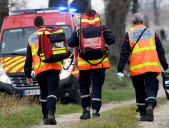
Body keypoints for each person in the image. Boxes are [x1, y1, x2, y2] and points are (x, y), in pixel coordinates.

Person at [117, 13, 169, 122]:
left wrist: (120, 69)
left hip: (137, 68)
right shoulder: (151, 32)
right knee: (152, 87)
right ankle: (150, 104)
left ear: (132, 23)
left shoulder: (129, 34)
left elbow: (124, 53)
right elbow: (160, 50)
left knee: (139, 89)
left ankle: (143, 114)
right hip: (151, 66)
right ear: (142, 21)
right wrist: (165, 66)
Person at [68, 10, 115, 120]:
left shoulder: (79, 30)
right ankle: (95, 111)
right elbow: (111, 40)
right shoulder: (102, 28)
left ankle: (86, 111)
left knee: (84, 86)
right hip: (100, 63)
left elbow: (70, 43)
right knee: (96, 86)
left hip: (84, 64)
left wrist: (77, 31)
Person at [24, 16, 62, 125]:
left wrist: (28, 75)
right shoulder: (51, 32)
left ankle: (45, 117)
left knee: (44, 92)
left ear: (34, 25)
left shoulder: (31, 38)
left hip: (40, 69)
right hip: (54, 66)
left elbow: (28, 58)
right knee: (52, 91)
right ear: (43, 23)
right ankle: (51, 113)